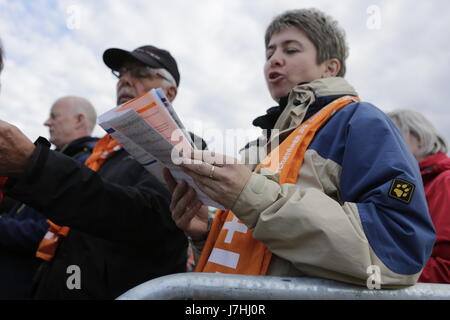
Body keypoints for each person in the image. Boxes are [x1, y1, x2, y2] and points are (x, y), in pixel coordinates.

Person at [165, 8, 436, 288]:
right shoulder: (258, 145)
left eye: (291, 50)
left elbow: (399, 250)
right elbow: (256, 257)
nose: (275, 59)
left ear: (331, 67)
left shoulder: (361, 123)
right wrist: (205, 235)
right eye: (269, 53)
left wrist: (256, 198)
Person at [0, 45, 188, 299]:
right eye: (120, 73)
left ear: (170, 91)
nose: (125, 80)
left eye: (141, 73)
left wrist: (33, 165)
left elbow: (143, 217)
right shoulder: (104, 150)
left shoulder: (181, 147)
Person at [0, 96, 99, 300]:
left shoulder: (86, 165)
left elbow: (49, 234)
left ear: (79, 120)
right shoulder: (54, 160)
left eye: (54, 117)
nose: (47, 123)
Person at [388, 109, 450, 283]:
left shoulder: (445, 182)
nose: (387, 146)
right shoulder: (406, 184)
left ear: (420, 139)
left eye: (395, 137)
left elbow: (446, 267)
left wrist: (384, 269)